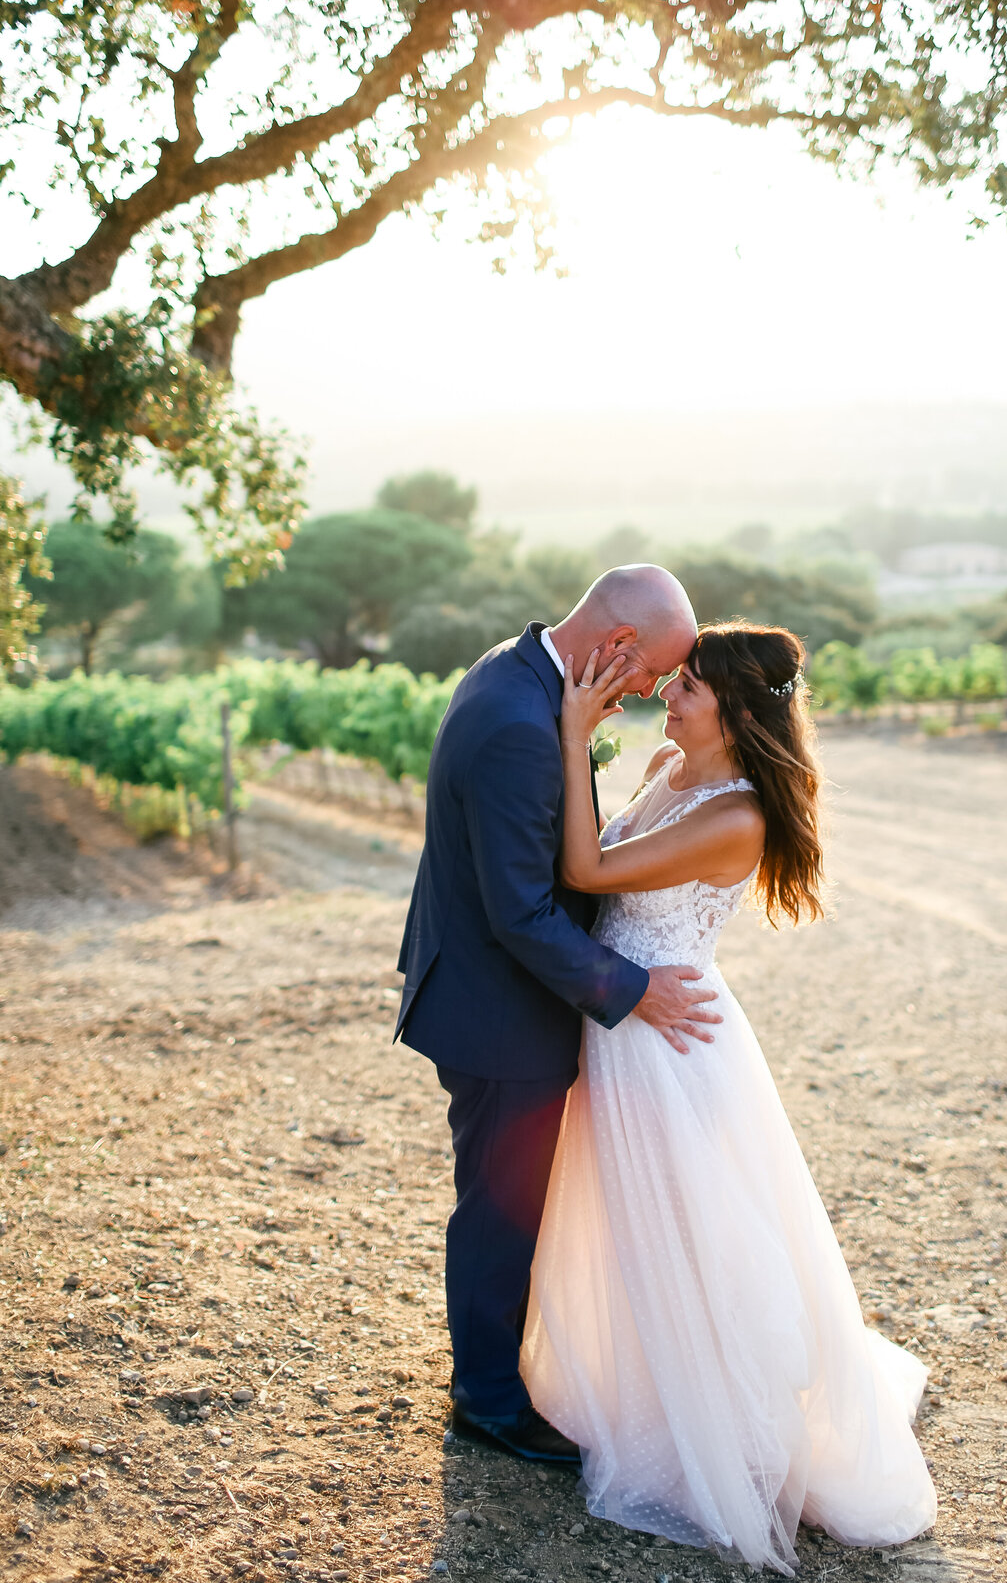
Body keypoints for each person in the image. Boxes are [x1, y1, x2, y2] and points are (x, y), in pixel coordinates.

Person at [521, 621, 938, 1570]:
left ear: (738, 712)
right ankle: (646, 1386)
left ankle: (723, 1416)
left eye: (689, 690)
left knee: (696, 1228)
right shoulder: (674, 767)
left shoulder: (737, 816)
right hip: (630, 1022)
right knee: (636, 1224)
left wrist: (572, 734)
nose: (669, 696)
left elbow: (587, 871)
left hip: (671, 1038)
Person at [395, 566, 717, 1465]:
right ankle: (489, 1403)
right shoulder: (517, 724)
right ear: (617, 647)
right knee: (500, 1208)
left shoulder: (521, 669)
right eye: (655, 673)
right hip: (500, 1011)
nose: (654, 694)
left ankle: (500, 1371)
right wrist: (635, 989)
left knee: (510, 1198)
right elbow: (521, 912)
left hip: (489, 990)